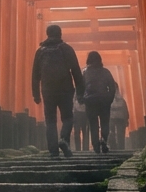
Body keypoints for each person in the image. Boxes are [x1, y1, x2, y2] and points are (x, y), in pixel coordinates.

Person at [31, 24, 85, 158]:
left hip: (48, 90)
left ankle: (53, 152)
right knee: (67, 117)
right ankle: (64, 139)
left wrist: (36, 94)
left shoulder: (40, 51)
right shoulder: (66, 49)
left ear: (47, 34)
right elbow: (76, 71)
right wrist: (80, 92)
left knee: (50, 120)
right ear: (60, 34)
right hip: (65, 88)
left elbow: (35, 75)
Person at [82, 50, 118, 153]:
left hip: (90, 101)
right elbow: (112, 87)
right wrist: (109, 99)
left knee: (93, 124)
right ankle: (104, 140)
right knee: (104, 123)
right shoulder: (106, 72)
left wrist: (83, 99)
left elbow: (80, 87)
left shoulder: (85, 72)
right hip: (104, 100)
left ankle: (96, 146)